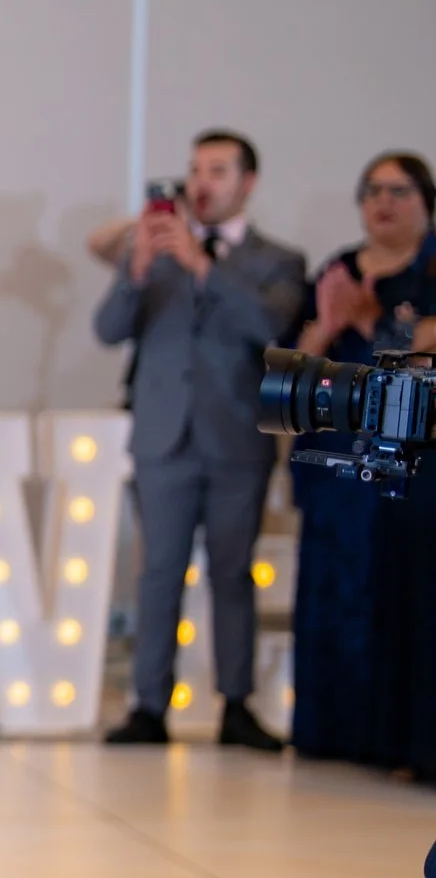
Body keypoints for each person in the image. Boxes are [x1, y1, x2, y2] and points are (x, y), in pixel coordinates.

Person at [91, 129, 308, 752]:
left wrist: (202, 266)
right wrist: (136, 274)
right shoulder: (152, 253)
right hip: (164, 437)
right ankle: (148, 704)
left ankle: (235, 703)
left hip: (237, 436)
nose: (201, 183)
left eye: (217, 170)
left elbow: (272, 327)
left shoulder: (276, 261)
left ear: (247, 182)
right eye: (194, 169)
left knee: (234, 573)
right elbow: (107, 329)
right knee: (159, 572)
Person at [284, 152, 436, 766]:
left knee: (405, 592)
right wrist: (329, 323)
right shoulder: (338, 269)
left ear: (425, 201)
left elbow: (417, 349)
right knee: (336, 586)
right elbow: (301, 358)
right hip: (339, 453)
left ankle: (404, 740)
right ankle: (336, 734)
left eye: (399, 191)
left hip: (413, 461)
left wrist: (373, 320)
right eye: (373, 190)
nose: (384, 202)